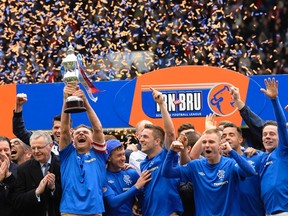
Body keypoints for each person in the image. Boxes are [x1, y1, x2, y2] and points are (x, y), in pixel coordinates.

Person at [162, 128, 256, 215]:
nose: (207, 145)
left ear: (220, 145)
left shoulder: (230, 164)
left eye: (211, 142)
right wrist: (172, 151)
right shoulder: (195, 166)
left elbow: (250, 171)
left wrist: (232, 152)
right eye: (204, 142)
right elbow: (167, 173)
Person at [231, 79, 288, 214]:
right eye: (265, 134)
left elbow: (281, 125)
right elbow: (255, 124)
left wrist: (274, 100)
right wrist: (238, 102)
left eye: (272, 134)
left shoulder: (283, 152)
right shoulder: (260, 157)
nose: (267, 136)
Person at [59, 83, 107, 216]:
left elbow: (97, 128)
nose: (81, 134)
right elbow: (64, 130)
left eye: (85, 132)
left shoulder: (99, 154)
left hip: (94, 211)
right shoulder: (67, 155)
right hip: (70, 211)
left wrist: (85, 102)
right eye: (77, 133)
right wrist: (66, 100)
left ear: (92, 140)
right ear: (73, 140)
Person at [139, 88, 183, 216]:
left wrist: (161, 104)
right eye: (141, 136)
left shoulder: (168, 155)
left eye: (145, 137)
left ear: (157, 141)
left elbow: (170, 133)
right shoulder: (143, 164)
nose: (141, 140)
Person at [13, 130, 61, 216]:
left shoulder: (63, 165)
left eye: (39, 147)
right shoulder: (23, 169)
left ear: (51, 146)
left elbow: (70, 194)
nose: (35, 151)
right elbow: (17, 201)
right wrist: (37, 192)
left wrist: (53, 188)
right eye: (33, 148)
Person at [221, 123, 265, 216]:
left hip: (255, 211)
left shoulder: (255, 155)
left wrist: (256, 151)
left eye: (231, 135)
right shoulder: (220, 162)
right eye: (223, 136)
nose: (227, 138)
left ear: (240, 139)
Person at [103, 139, 151, 216]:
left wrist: (137, 204)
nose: (123, 158)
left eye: (123, 154)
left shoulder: (131, 173)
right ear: (109, 158)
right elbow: (113, 203)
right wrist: (136, 187)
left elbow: (142, 196)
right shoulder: (103, 177)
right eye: (119, 155)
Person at [0, 136, 18, 216]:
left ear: (11, 151)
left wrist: (8, 176)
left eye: (6, 150)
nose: (3, 153)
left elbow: (18, 197)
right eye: (0, 150)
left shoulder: (20, 170)